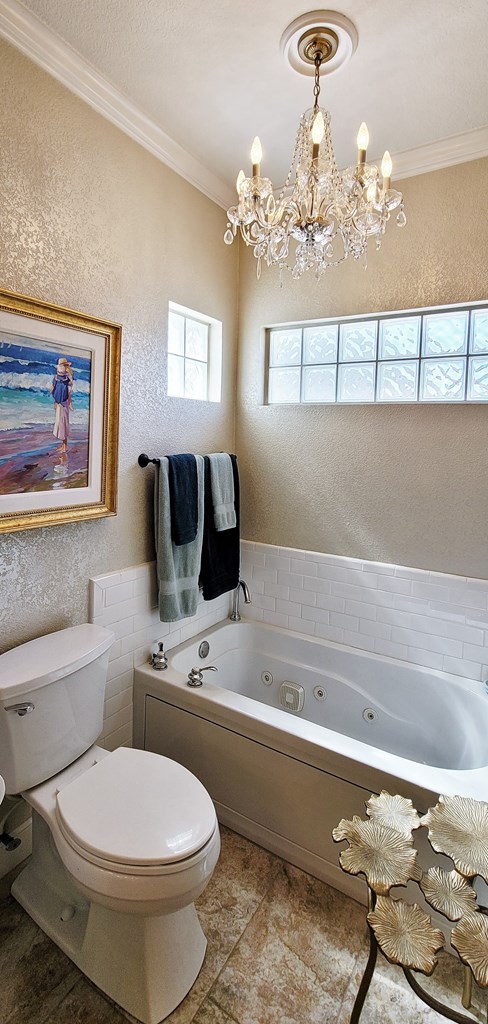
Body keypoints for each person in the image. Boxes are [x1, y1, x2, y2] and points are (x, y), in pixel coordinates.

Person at [50, 357, 73, 453]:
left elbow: (68, 393)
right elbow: (53, 390)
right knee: (60, 424)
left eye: (64, 366)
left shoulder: (67, 379)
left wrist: (70, 402)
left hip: (64, 404)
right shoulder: (57, 378)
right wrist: (55, 400)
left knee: (63, 424)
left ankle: (64, 446)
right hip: (60, 403)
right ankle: (63, 445)